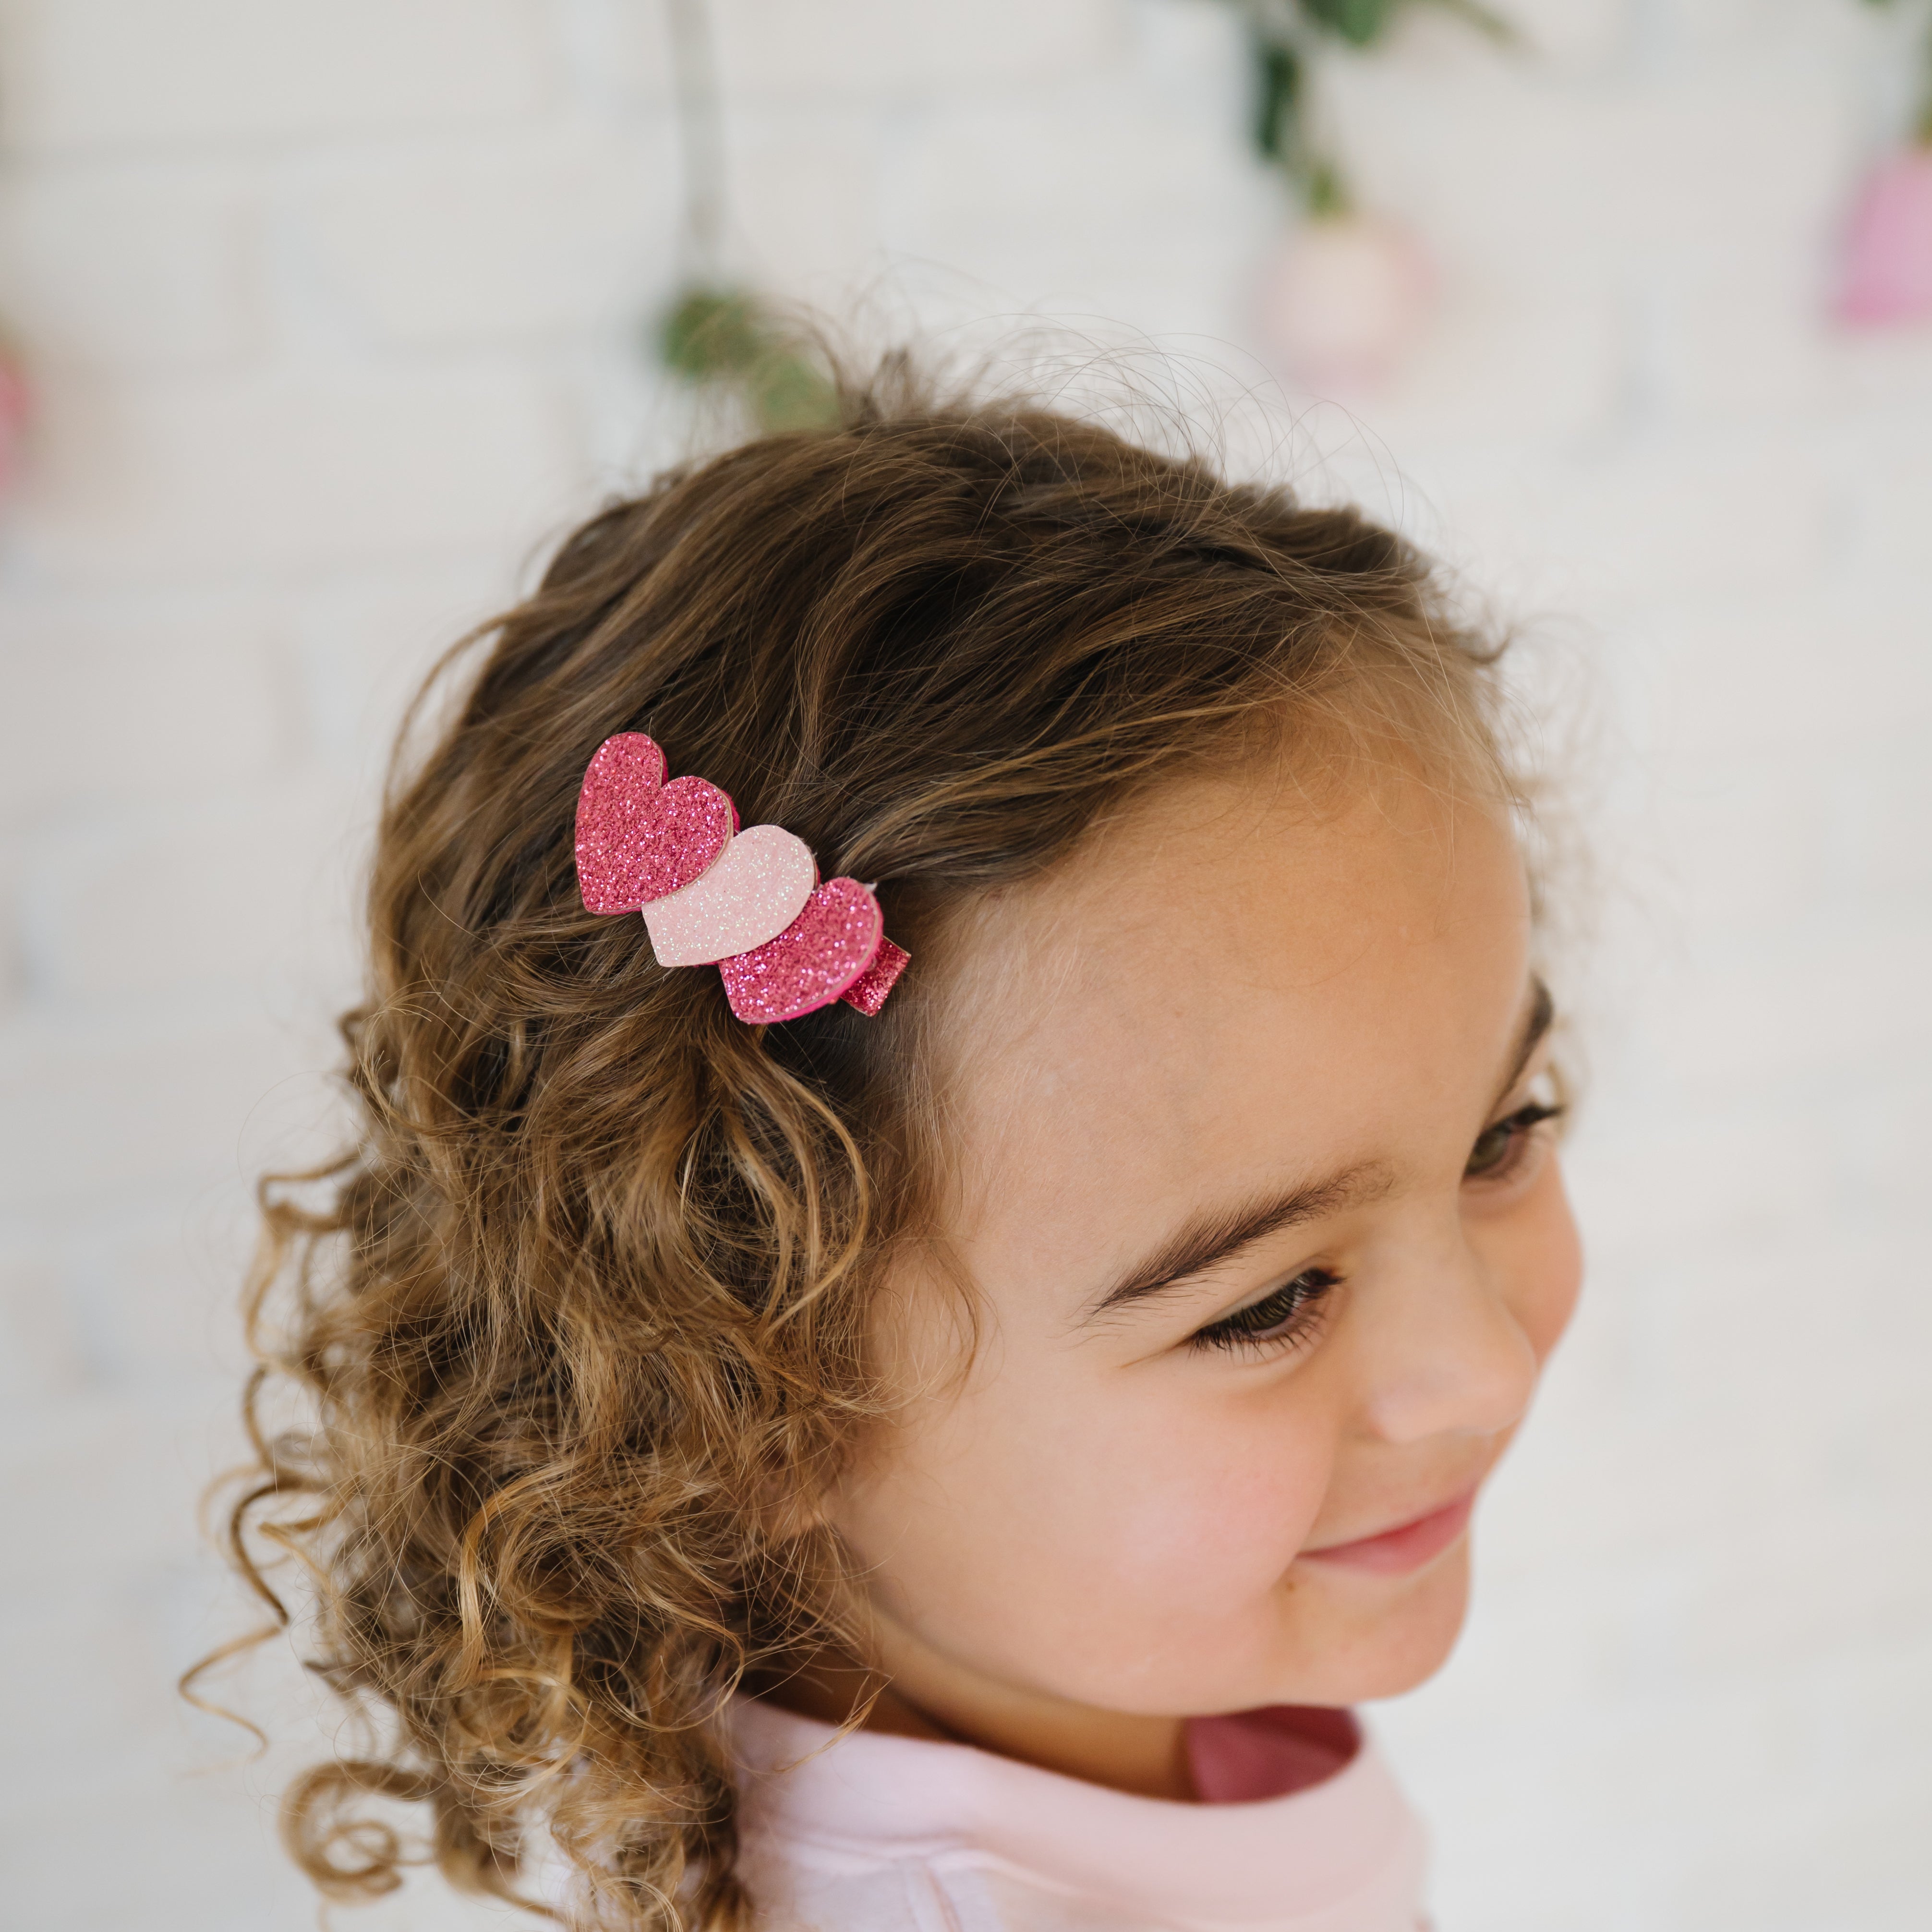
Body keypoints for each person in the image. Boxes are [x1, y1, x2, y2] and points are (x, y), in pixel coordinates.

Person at [221, 365, 1581, 1932]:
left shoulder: (1128, 1700)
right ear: (750, 1398)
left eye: (1504, 1135)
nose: (1483, 1371)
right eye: (1269, 1302)